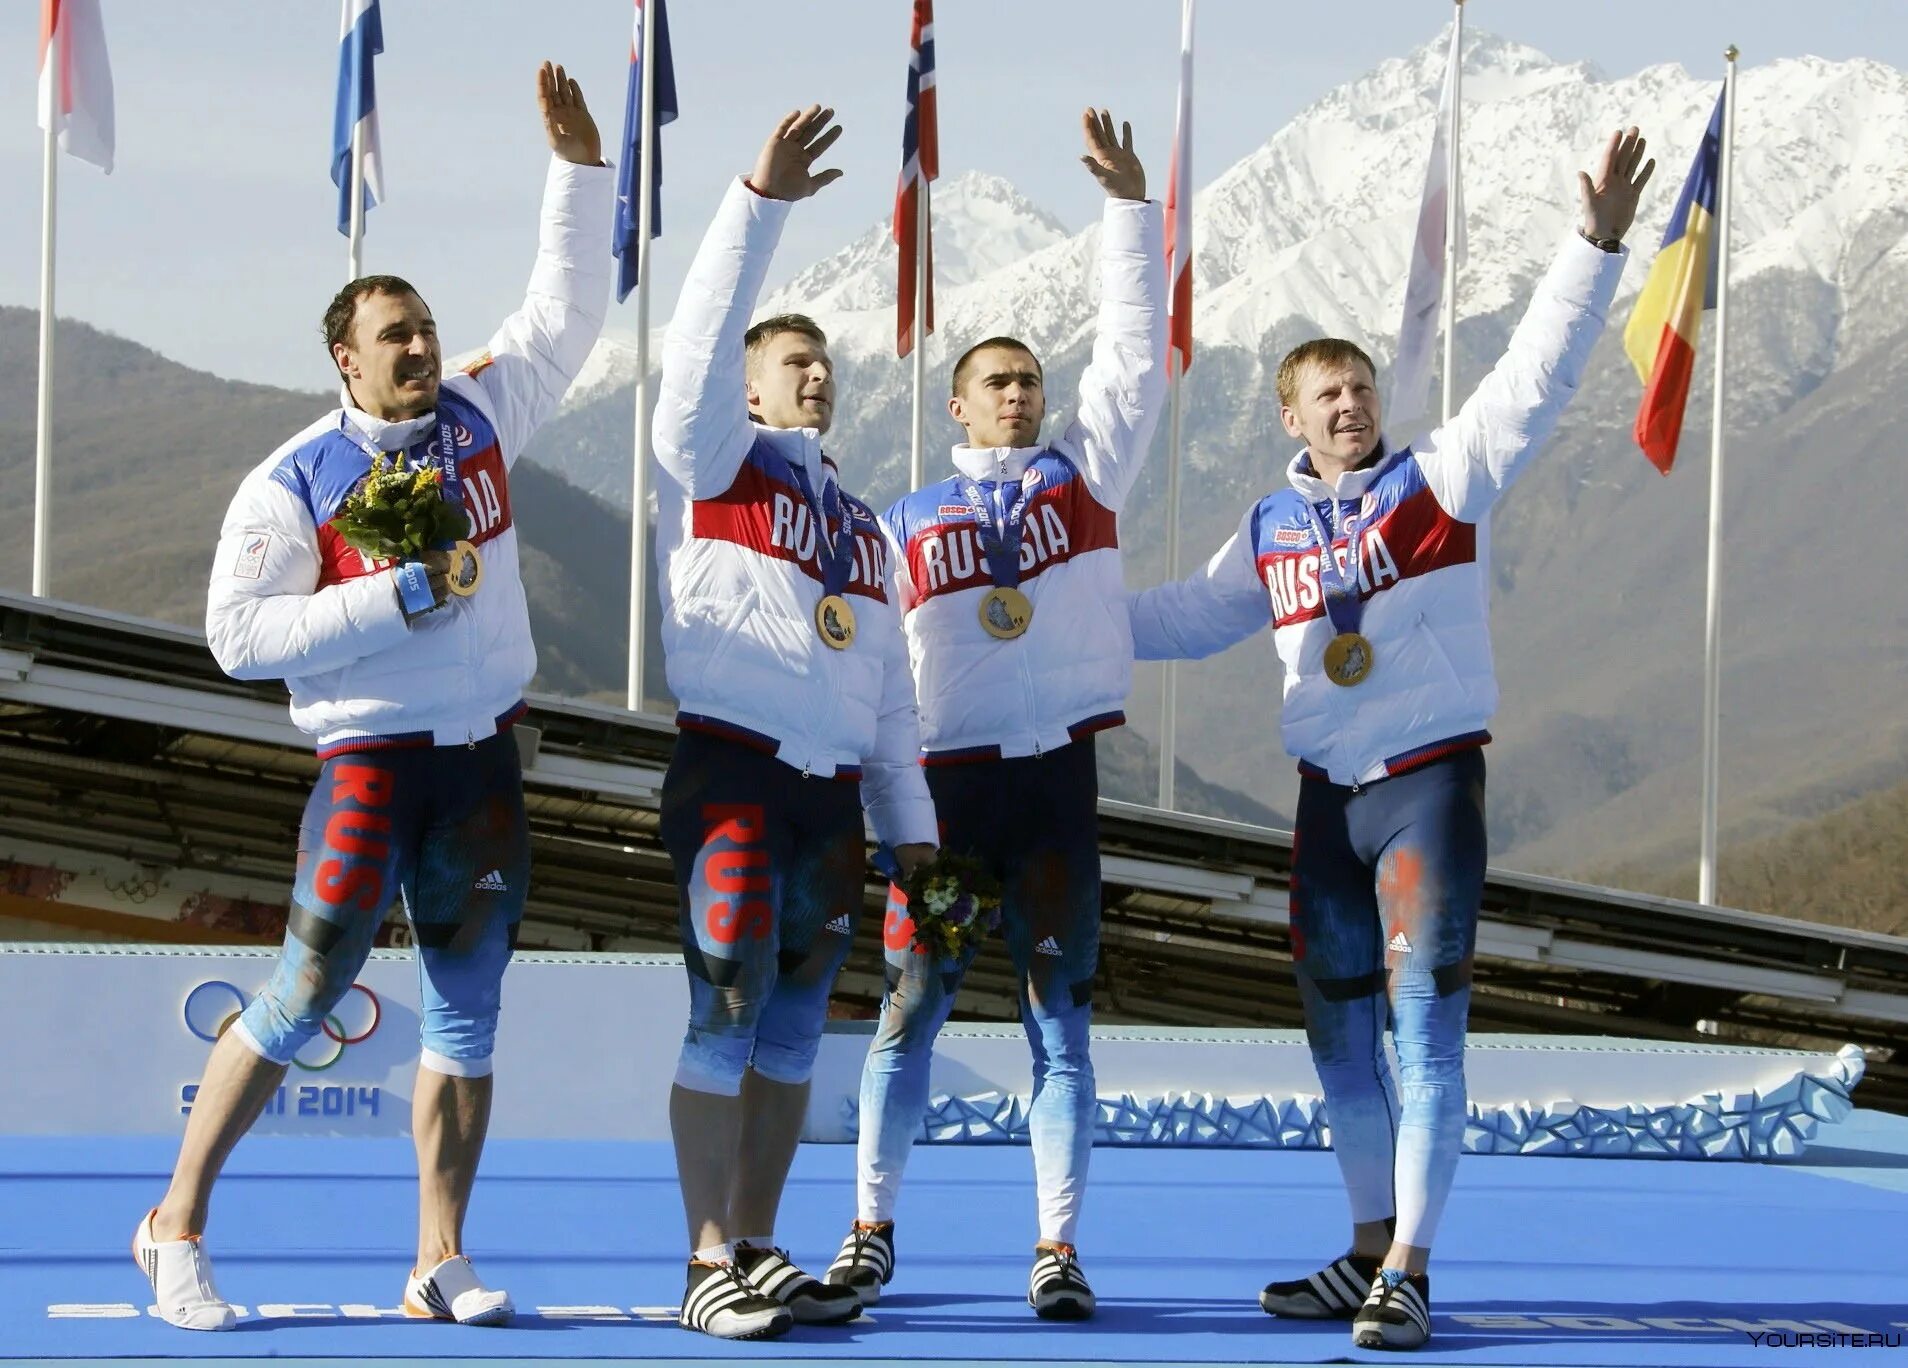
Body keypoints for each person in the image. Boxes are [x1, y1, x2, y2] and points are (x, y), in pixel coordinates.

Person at [1125, 128, 1654, 1352]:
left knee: (1424, 1032)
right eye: (1328, 395)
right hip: (1326, 801)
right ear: (1293, 419)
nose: (1353, 405)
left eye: (1363, 388)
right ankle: (1365, 1249)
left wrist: (1596, 245)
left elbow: (1536, 376)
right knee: (1338, 1036)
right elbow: (1184, 619)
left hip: (1426, 791)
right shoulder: (1267, 528)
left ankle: (1411, 1267)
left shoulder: (1443, 482)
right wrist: (1030, 618)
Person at [134, 63, 612, 1332]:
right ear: (345, 358)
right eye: (394, 335)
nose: (422, 347)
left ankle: (437, 1261)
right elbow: (239, 638)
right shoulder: (291, 480)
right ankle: (171, 1226)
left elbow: (568, 311)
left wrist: (577, 172)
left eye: (427, 327)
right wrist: (394, 600)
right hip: (368, 766)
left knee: (468, 1015)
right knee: (299, 997)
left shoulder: (482, 416)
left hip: (482, 766)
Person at [824, 109, 1165, 1321]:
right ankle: (870, 1230)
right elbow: (871, 675)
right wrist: (885, 810)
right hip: (948, 801)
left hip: (1056, 791)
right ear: (957, 407)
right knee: (908, 1019)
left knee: (1060, 1034)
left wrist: (1131, 214)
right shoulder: (905, 523)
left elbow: (1137, 366)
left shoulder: (1084, 483)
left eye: (1029, 381)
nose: (1018, 397)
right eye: (995, 384)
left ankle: (1058, 1250)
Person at [651, 106, 938, 1342]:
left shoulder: (864, 526)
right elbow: (699, 346)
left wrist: (911, 832)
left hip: (828, 803)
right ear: (750, 386)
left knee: (789, 1028)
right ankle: (703, 1255)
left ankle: (760, 1243)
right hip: (730, 776)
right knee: (721, 1012)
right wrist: (756, 206)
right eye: (790, 363)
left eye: (825, 363)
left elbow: (890, 695)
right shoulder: (714, 463)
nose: (814, 376)